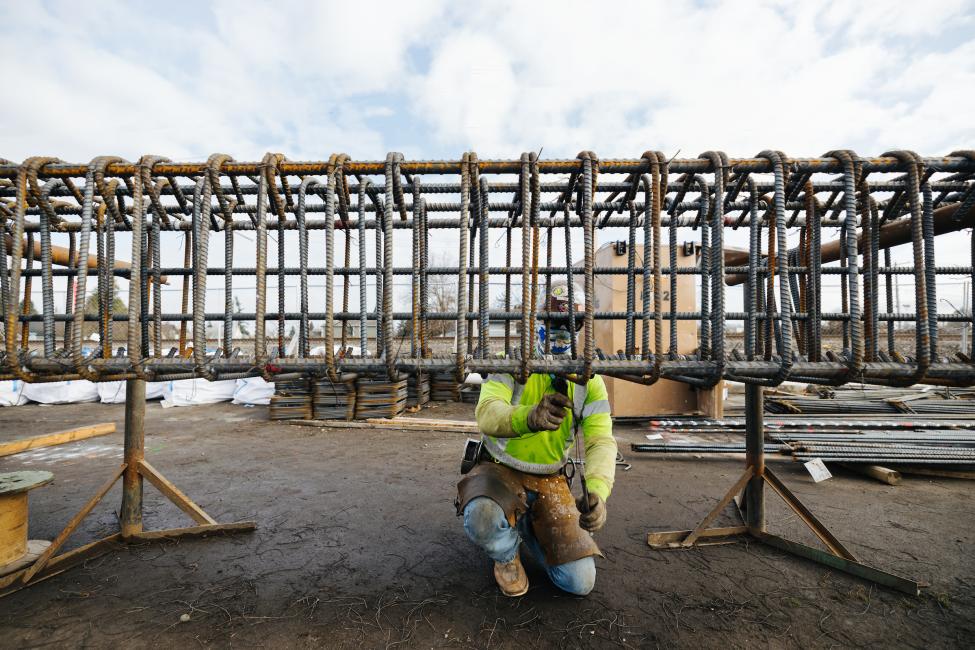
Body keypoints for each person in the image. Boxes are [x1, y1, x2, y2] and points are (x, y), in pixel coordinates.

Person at [456, 282, 617, 597]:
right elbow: (487, 413)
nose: (561, 331)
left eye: (572, 323)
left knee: (579, 582)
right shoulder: (512, 363)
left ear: (582, 326)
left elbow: (601, 440)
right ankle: (505, 553)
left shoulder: (588, 380)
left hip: (549, 479)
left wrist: (598, 492)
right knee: (482, 516)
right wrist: (528, 417)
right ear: (537, 321)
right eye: (553, 322)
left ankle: (528, 526)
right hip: (500, 471)